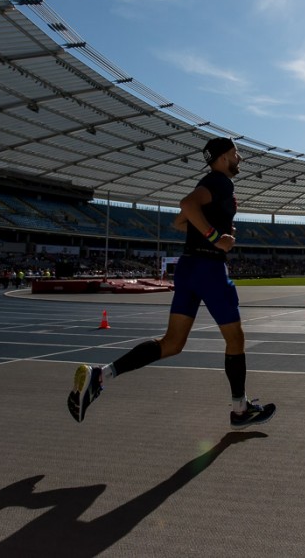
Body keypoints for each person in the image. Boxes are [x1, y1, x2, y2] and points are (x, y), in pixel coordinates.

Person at [68, 137, 276, 428]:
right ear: (223, 157)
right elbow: (187, 205)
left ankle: (101, 375)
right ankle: (240, 410)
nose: (239, 158)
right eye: (235, 153)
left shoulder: (210, 184)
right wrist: (217, 237)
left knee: (173, 343)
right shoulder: (220, 182)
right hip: (209, 268)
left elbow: (180, 221)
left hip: (188, 267)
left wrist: (214, 223)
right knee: (236, 339)